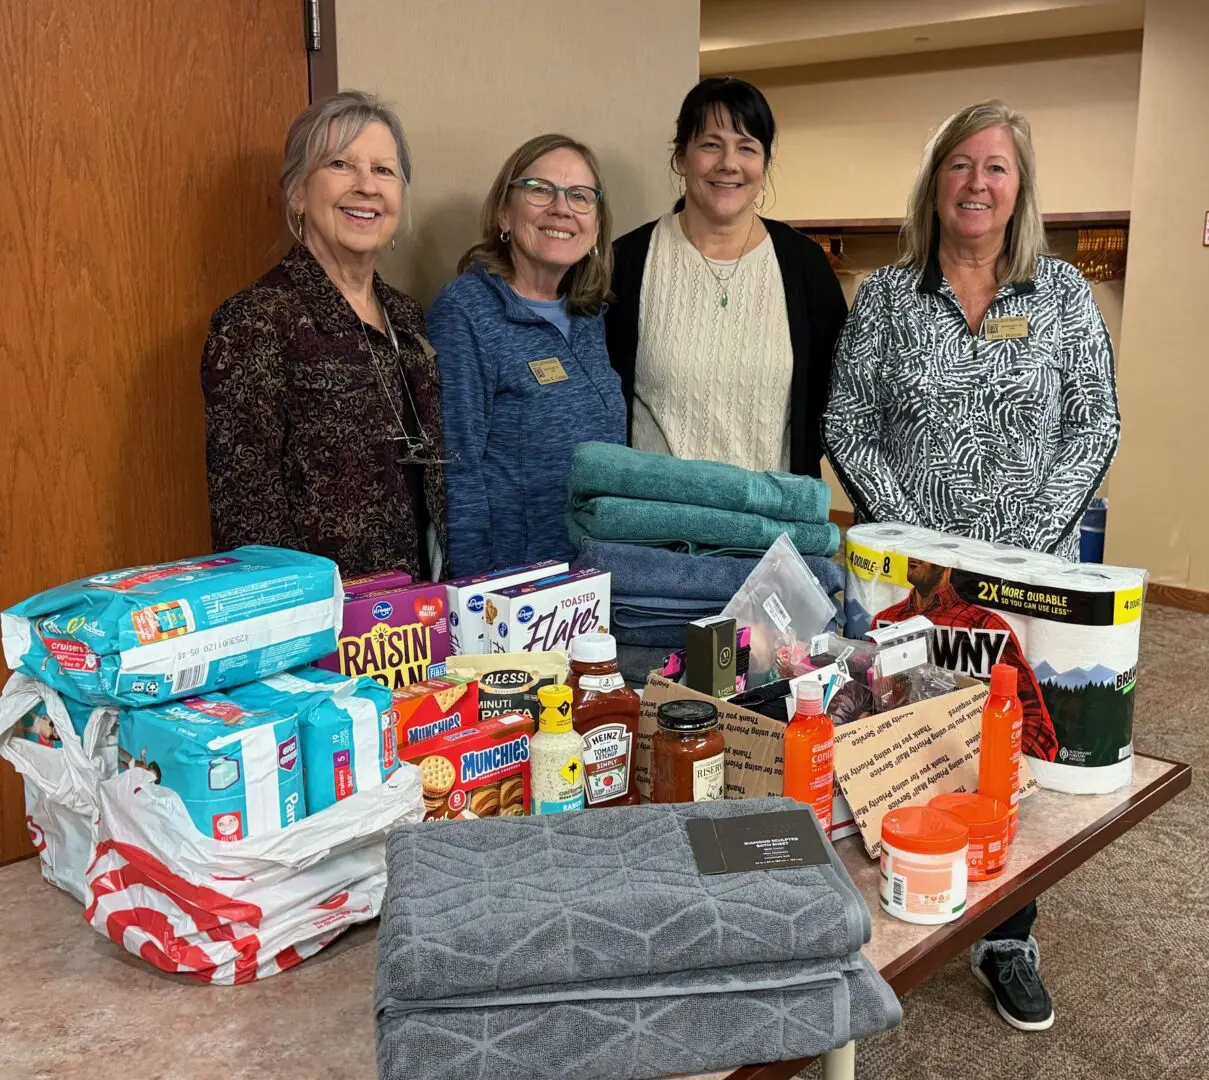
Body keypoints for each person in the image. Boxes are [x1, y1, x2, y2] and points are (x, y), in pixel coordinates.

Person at [825, 101, 1121, 1034]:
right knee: (903, 734)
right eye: (959, 165)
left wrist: (1027, 534)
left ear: (1019, 186)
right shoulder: (885, 297)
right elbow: (846, 422)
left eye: (995, 167)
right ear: (934, 183)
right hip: (908, 576)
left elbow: (1094, 420)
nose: (977, 183)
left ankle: (1007, 935)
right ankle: (902, 908)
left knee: (1010, 743)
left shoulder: (1061, 295)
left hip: (1028, 575)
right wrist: (914, 538)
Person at [202, 91, 445, 579]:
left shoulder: (407, 317)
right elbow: (248, 519)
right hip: (324, 627)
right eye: (340, 164)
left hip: (418, 616)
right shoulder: (255, 321)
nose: (366, 186)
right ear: (297, 192)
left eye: (383, 171)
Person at [607, 77, 847, 478]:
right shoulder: (626, 262)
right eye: (711, 144)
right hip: (652, 525)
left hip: (773, 524)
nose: (729, 164)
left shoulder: (805, 265)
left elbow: (834, 402)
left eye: (747, 147)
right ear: (681, 157)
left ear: (765, 163)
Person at [430, 134, 625, 576]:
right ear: (504, 212)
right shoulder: (466, 312)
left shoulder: (589, 314)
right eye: (540, 189)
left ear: (595, 225)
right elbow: (455, 470)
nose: (562, 208)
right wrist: (475, 594)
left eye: (580, 196)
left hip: (593, 580)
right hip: (515, 591)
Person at [873, 558, 1058, 761]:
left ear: (947, 562)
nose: (913, 557)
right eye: (911, 551)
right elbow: (869, 696)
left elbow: (1037, 725)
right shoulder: (887, 621)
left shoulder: (985, 627)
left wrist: (1001, 764)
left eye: (925, 553)